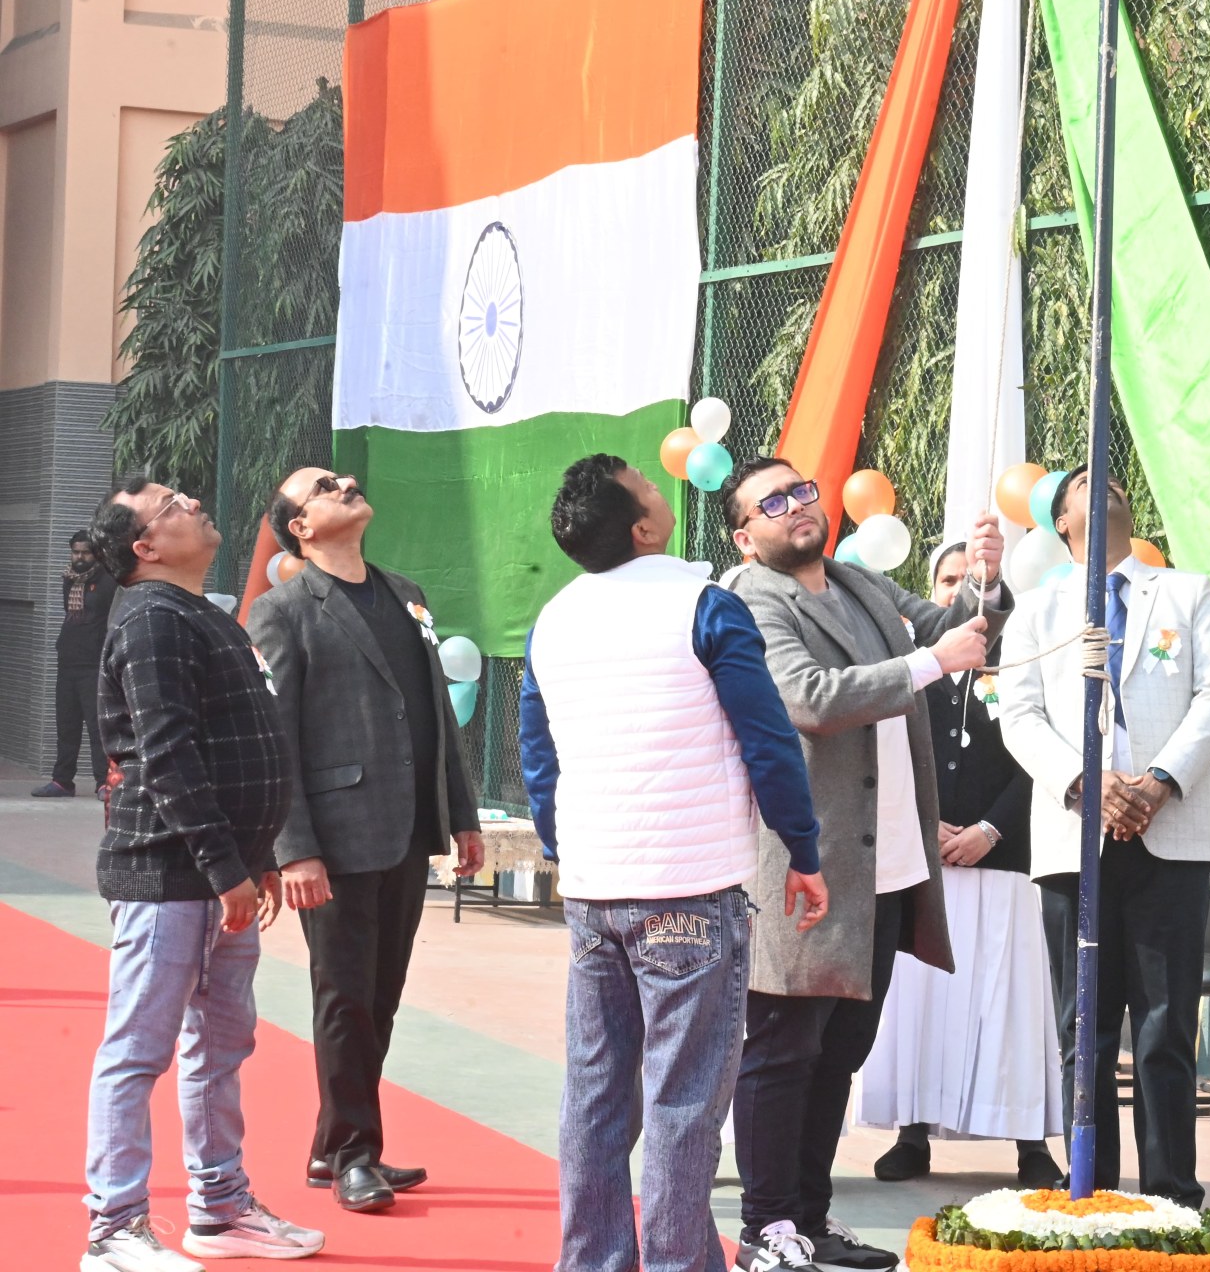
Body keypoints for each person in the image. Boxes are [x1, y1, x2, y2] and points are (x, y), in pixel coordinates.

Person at [518, 454, 829, 1272]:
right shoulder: (706, 605)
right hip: (690, 889)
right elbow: (768, 739)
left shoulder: (553, 618)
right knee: (684, 1100)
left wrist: (565, 847)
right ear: (643, 528)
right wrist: (802, 848)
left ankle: (591, 1260)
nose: (664, 489)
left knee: (595, 1093)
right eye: (650, 487)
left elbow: (537, 758)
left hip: (595, 890)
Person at [722, 456, 1009, 1272]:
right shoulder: (751, 599)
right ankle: (766, 1226)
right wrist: (933, 660)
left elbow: (954, 624)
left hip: (886, 864)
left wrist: (986, 577)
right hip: (803, 865)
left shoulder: (858, 583)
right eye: (772, 502)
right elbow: (809, 698)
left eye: (801, 490)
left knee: (841, 1049)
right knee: (783, 1048)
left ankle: (810, 1219)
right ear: (744, 537)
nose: (796, 506)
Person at [82, 478, 325, 1269]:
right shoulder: (152, 620)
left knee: (219, 1048)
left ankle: (219, 1210)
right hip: (169, 877)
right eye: (170, 505)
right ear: (144, 547)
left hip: (220, 879)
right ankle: (113, 1229)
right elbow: (168, 756)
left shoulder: (200, 614)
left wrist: (252, 862)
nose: (190, 502)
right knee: (137, 1051)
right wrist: (228, 870)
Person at [997, 466, 1210, 1209]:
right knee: (1086, 1028)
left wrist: (1159, 783)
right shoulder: (1039, 610)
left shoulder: (1186, 593)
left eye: (1109, 481)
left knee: (1166, 1027)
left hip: (1171, 836)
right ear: (1061, 522)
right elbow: (1020, 716)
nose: (1099, 484)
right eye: (1081, 483)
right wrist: (1086, 782)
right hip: (1075, 842)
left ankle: (1172, 1194)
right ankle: (1091, 1191)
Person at [247, 467, 484, 1213]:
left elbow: (436, 712)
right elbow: (276, 740)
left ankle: (334, 1146)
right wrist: (294, 849)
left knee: (380, 996)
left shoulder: (405, 593)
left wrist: (462, 813)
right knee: (345, 997)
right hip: (335, 838)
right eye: (325, 486)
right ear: (301, 528)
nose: (345, 483)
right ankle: (355, 1153)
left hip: (408, 828)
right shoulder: (281, 612)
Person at [859, 539, 1062, 1188]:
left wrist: (990, 829)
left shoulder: (1021, 660)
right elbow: (883, 753)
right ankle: (912, 1133)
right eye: (946, 581)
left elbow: (1042, 756)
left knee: (1009, 1005)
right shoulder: (910, 666)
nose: (956, 592)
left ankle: (1032, 1144)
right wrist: (926, 827)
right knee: (922, 1003)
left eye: (968, 581)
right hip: (923, 863)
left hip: (1003, 861)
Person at [34, 530, 118, 800]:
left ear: (97, 554)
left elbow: (112, 620)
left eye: (85, 552)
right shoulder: (69, 579)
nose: (79, 557)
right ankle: (62, 781)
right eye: (75, 552)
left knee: (96, 726)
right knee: (66, 725)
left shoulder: (108, 581)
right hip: (68, 660)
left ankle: (103, 783)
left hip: (93, 663)